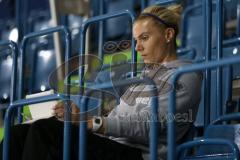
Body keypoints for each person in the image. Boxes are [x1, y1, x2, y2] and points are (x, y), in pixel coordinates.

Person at [0, 4, 202, 160]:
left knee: (45, 132)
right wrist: (80, 117)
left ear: (168, 35)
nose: (138, 47)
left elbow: (150, 126)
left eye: (145, 38)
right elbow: (119, 117)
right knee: (17, 134)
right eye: (136, 40)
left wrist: (92, 123)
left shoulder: (184, 75)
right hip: (113, 144)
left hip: (137, 155)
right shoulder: (145, 77)